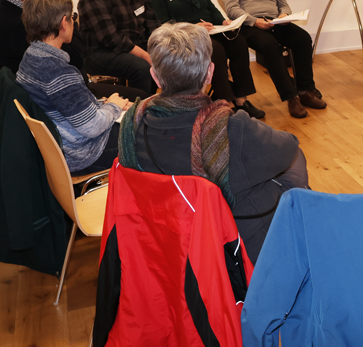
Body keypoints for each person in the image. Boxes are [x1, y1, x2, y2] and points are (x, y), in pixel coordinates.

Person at [117, 22, 309, 263]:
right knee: (295, 162)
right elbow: (289, 145)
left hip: (160, 235)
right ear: (210, 72)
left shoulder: (132, 123)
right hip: (228, 242)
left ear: (155, 75)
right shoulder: (231, 126)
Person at [16, 0, 133, 175]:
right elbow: (92, 127)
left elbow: (75, 109)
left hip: (67, 146)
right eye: (73, 17)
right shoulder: (58, 72)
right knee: (151, 134)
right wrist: (113, 107)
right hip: (85, 153)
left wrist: (107, 104)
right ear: (64, 23)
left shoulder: (31, 57)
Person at [147, 0, 263, 119]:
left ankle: (241, 99)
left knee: (239, 42)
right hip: (185, 37)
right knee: (216, 50)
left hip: (210, 30)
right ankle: (227, 102)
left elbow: (210, 7)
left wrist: (224, 21)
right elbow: (163, 24)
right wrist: (193, 28)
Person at [221, 0, 325, 118]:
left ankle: (305, 90)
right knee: (269, 45)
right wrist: (255, 21)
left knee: (302, 38)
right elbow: (232, 9)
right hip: (249, 25)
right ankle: (291, 97)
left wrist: (284, 15)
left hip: (275, 22)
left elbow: (283, 4)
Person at [77, 0, 160, 93]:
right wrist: (144, 55)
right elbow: (110, 37)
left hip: (133, 46)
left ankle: (159, 106)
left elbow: (151, 23)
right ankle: (138, 112)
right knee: (142, 67)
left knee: (168, 57)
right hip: (100, 52)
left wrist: (163, 47)